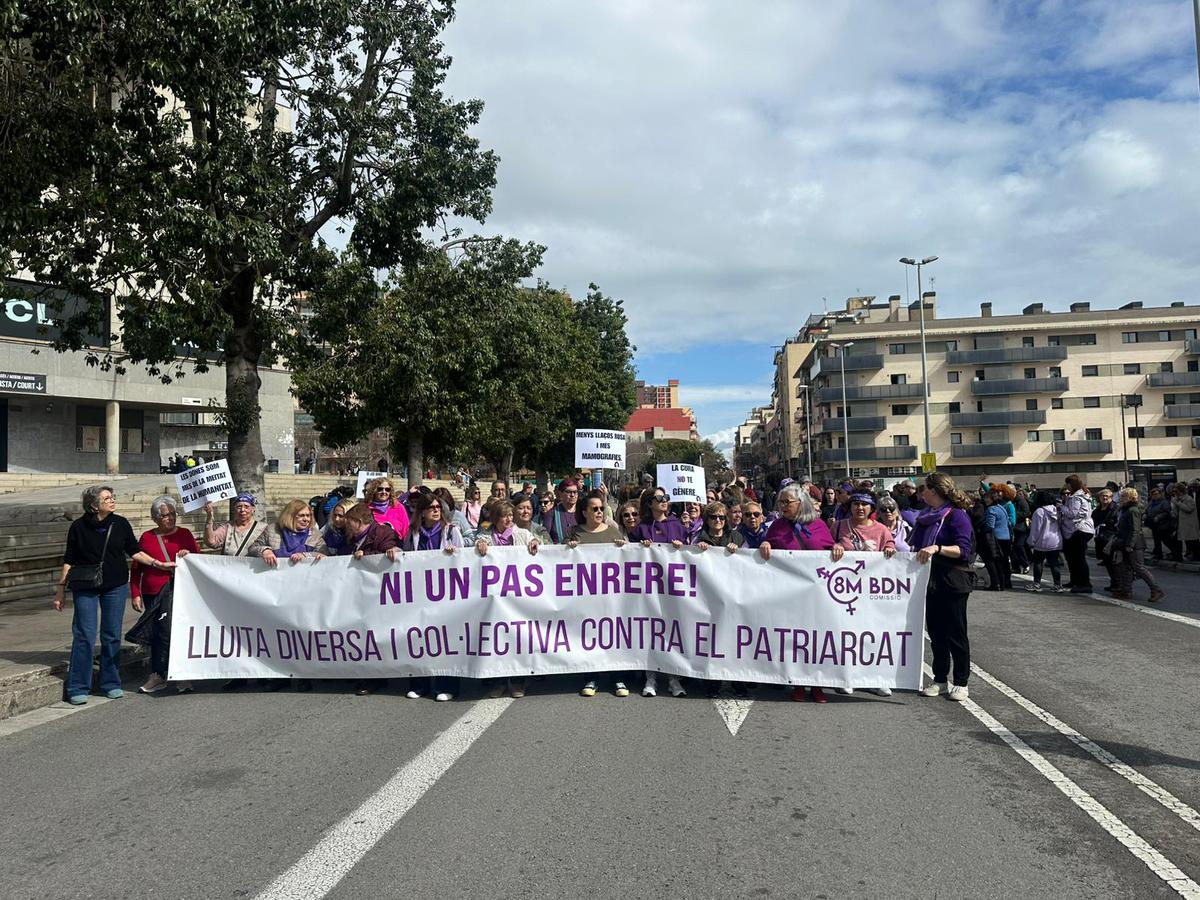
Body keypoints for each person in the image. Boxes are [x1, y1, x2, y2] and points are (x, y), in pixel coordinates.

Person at [54, 486, 174, 705]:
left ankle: (110, 683)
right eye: (107, 498)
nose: (112, 500)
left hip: (115, 586)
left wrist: (159, 564)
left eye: (112, 497)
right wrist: (60, 590)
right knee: (85, 635)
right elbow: (69, 559)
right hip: (85, 585)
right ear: (93, 505)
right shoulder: (78, 527)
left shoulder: (120, 523)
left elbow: (135, 552)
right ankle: (78, 686)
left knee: (111, 635)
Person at [757, 484, 836, 704]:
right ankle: (799, 683)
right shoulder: (776, 526)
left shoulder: (818, 525)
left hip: (816, 593)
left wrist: (837, 547)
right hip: (789, 594)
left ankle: (818, 685)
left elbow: (829, 550)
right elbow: (768, 546)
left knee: (816, 639)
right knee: (796, 640)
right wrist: (764, 542)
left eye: (786, 502)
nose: (782, 506)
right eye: (780, 502)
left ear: (800, 503)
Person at [913, 474, 976, 702]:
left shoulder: (956, 515)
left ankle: (961, 682)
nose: (922, 493)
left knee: (956, 633)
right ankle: (940, 679)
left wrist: (937, 548)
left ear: (935, 491)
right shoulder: (925, 516)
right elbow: (913, 546)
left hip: (952, 581)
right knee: (937, 633)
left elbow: (963, 550)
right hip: (930, 581)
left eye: (926, 489)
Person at [130, 496, 200, 694]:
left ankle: (181, 675)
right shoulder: (147, 538)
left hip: (180, 591)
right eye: (165, 515)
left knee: (173, 632)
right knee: (158, 633)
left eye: (173, 514)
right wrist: (135, 593)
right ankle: (158, 674)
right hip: (153, 592)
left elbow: (200, 560)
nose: (170, 518)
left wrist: (190, 555)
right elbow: (136, 568)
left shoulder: (185, 534)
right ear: (155, 518)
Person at [567, 491, 630, 698]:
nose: (600, 512)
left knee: (613, 635)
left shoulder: (614, 532)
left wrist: (625, 548)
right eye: (595, 509)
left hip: (612, 597)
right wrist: (568, 549)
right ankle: (591, 677)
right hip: (585, 597)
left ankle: (617, 677)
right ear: (584, 512)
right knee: (589, 637)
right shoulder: (574, 532)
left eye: (602, 508)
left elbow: (629, 560)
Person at [632, 488, 687, 698]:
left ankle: (673, 678)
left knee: (672, 629)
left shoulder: (678, 527)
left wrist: (682, 548)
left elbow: (690, 556)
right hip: (648, 589)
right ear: (650, 503)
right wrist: (639, 547)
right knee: (651, 629)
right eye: (659, 498)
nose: (664, 501)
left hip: (673, 589)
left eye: (666, 498)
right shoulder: (641, 528)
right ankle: (651, 677)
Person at [1111, 487, 1165, 603]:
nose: (1121, 498)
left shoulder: (1133, 510)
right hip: (1125, 543)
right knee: (1126, 568)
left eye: (1124, 496)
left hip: (1135, 544)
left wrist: (1130, 544)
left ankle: (1156, 590)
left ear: (1130, 497)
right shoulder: (1126, 509)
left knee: (1139, 568)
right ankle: (1127, 590)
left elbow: (1135, 529)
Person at [261, 499, 328, 569]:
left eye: (308, 516)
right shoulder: (272, 530)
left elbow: (324, 553)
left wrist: (305, 555)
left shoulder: (315, 535)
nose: (306, 519)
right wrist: (265, 551)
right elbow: (253, 548)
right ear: (290, 516)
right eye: (301, 515)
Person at [830, 493, 896, 559]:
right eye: (856, 504)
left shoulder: (882, 529)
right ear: (850, 507)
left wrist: (889, 549)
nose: (860, 507)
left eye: (864, 504)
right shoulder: (838, 526)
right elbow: (827, 545)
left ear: (872, 508)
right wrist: (834, 546)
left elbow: (889, 544)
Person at [1060, 474, 1095, 593]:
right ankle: (1075, 580)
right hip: (1080, 529)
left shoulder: (1076, 497)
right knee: (1072, 558)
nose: (1066, 486)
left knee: (1079, 558)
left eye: (1068, 484)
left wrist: (1061, 507)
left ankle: (1085, 583)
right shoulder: (1081, 496)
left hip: (1079, 529)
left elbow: (1072, 513)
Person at [1026, 490, 1064, 592]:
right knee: (1054, 563)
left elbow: (1036, 529)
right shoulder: (1056, 510)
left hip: (1042, 541)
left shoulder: (1039, 511)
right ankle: (1058, 585)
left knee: (1038, 562)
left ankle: (1037, 583)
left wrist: (1031, 541)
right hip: (1055, 540)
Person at [981, 487, 1012, 591]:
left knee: (992, 562)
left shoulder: (991, 509)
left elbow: (990, 525)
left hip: (996, 539)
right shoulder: (1001, 507)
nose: (985, 500)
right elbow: (1008, 522)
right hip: (1006, 537)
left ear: (992, 499)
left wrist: (981, 530)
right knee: (1003, 562)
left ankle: (995, 583)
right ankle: (1005, 583)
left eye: (987, 498)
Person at [363, 476, 410, 542]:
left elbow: (406, 530)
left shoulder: (398, 507)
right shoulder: (366, 509)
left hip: (397, 547)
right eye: (380, 489)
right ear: (374, 491)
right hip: (374, 548)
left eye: (387, 489)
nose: (384, 492)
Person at [1091, 488, 1119, 590]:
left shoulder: (1115, 508)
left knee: (1113, 562)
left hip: (1111, 538)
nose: (1105, 498)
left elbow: (1117, 523)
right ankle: (1114, 582)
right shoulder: (1097, 510)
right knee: (1107, 562)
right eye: (1103, 496)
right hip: (1100, 538)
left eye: (1107, 496)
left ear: (1111, 497)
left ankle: (1118, 583)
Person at [542, 478, 581, 544]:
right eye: (568, 492)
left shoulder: (584, 513)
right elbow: (544, 539)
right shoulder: (551, 514)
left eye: (575, 492)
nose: (572, 495)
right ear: (560, 493)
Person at [1146, 486, 1178, 562]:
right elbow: (1147, 510)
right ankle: (1158, 554)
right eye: (1153, 494)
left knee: (1166, 539)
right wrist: (1145, 514)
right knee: (1156, 540)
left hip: (1163, 524)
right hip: (1154, 524)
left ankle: (1175, 552)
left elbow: (1167, 512)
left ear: (1160, 494)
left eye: (1156, 494)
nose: (1155, 496)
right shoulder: (1151, 502)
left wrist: (1159, 517)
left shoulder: (1164, 502)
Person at [1171, 483, 1200, 561]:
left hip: (1190, 524)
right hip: (1183, 524)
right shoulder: (1178, 500)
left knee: (1193, 541)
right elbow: (1176, 513)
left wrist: (1178, 503)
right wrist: (1174, 507)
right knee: (1188, 541)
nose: (1175, 493)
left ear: (1181, 491)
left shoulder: (1188, 498)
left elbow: (1189, 509)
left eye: (1176, 491)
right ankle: (1191, 554)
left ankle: (1196, 556)